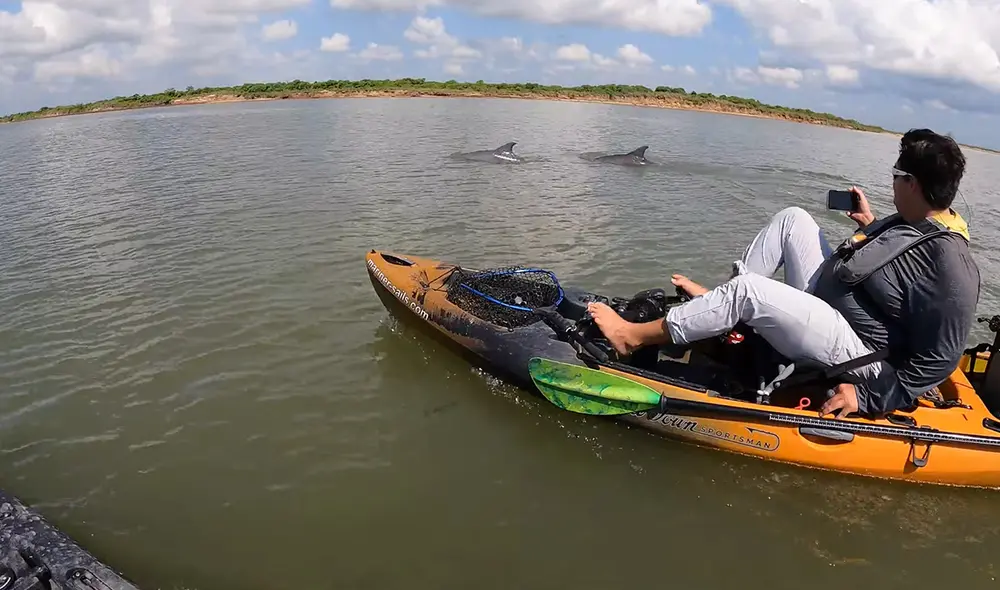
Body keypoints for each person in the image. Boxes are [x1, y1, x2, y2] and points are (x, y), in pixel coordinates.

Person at [587, 128, 981, 419]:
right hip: (834, 308)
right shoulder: (912, 220)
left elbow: (943, 357)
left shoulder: (950, 261)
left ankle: (631, 337)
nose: (891, 183)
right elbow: (893, 263)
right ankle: (718, 307)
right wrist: (870, 222)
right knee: (793, 219)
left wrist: (872, 397)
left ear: (912, 184)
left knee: (752, 291)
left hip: (862, 352)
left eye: (897, 177)